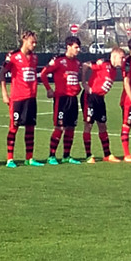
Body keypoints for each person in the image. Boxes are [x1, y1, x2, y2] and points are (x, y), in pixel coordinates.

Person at [0, 30, 45, 168]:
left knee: (30, 128)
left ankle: (29, 158)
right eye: (32, 42)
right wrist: (4, 93)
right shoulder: (13, 57)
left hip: (31, 98)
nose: (35, 44)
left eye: (36, 42)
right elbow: (2, 74)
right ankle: (10, 159)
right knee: (14, 127)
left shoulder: (35, 58)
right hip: (17, 98)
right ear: (24, 39)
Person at [42, 36, 83, 165]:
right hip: (62, 99)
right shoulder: (59, 61)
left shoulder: (77, 63)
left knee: (71, 127)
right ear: (68, 46)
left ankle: (66, 155)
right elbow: (43, 73)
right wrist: (49, 89)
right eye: (76, 47)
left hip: (73, 99)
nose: (78, 50)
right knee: (59, 126)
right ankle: (51, 155)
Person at [81, 47, 123, 163]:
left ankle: (107, 154)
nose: (122, 60)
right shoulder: (104, 63)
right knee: (88, 125)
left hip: (100, 99)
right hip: (90, 97)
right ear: (114, 56)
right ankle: (88, 155)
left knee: (102, 125)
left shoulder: (114, 70)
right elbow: (86, 65)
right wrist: (84, 83)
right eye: (121, 58)